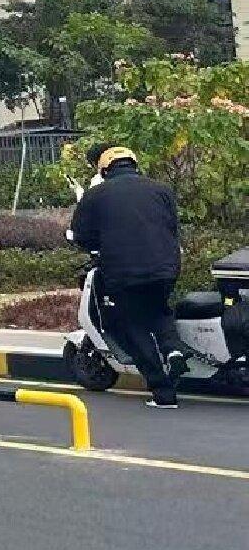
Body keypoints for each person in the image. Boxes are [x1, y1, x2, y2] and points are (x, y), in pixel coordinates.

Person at [70, 143, 186, 409]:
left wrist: (95, 245)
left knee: (131, 325)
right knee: (159, 311)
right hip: (166, 268)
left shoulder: (96, 195)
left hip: (124, 273)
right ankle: (174, 350)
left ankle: (163, 393)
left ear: (104, 170)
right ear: (134, 164)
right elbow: (172, 226)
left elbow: (80, 235)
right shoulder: (161, 190)